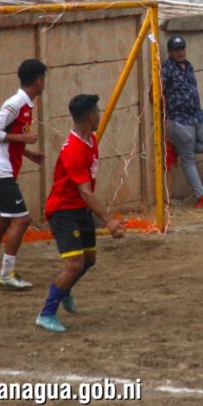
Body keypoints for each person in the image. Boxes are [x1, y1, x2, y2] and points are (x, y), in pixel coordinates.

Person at [35, 94, 125, 333]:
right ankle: (46, 314)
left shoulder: (91, 140)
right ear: (91, 117)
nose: (100, 116)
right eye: (99, 113)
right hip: (63, 211)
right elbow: (85, 191)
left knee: (89, 260)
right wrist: (108, 220)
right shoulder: (74, 149)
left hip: (79, 209)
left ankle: (65, 290)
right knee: (74, 265)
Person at [0, 59, 47, 290]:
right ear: (38, 81)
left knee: (2, 220)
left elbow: (6, 137)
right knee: (23, 219)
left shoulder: (25, 105)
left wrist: (27, 153)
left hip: (0, 169)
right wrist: (23, 139)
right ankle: (7, 273)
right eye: (43, 79)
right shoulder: (16, 103)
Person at [161, 35, 203, 208]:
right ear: (170, 52)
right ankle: (201, 196)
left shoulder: (188, 66)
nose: (180, 52)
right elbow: (156, 93)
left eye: (182, 48)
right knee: (188, 160)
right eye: (176, 50)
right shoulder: (166, 68)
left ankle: (182, 147)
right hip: (179, 118)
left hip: (197, 115)